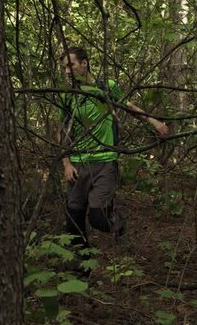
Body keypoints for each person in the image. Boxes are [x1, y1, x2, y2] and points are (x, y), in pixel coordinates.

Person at [56, 46, 169, 255]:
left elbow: (129, 107)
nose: (67, 72)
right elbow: (61, 132)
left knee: (98, 219)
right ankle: (81, 266)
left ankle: (119, 222)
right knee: (74, 220)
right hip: (78, 164)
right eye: (64, 68)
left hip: (105, 162)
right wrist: (67, 163)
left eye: (70, 66)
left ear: (84, 63)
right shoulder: (68, 96)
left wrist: (154, 122)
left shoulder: (106, 87)